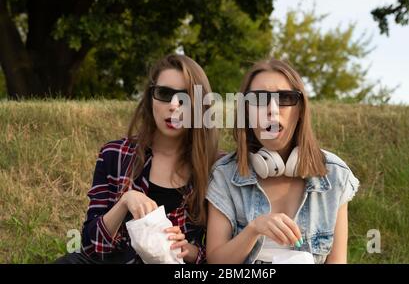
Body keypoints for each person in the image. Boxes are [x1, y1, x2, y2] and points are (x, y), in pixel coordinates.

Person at [55, 54, 218, 264]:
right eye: (164, 93)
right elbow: (89, 246)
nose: (174, 105)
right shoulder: (115, 154)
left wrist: (189, 250)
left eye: (186, 97)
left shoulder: (215, 167)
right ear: (151, 98)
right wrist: (125, 201)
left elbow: (223, 256)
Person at [206, 59, 359, 264]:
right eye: (259, 99)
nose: (273, 109)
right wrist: (254, 229)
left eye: (285, 98)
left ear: (300, 111)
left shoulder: (334, 174)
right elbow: (216, 262)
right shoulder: (225, 175)